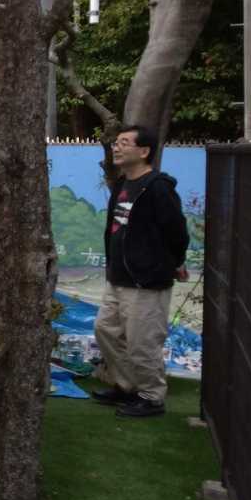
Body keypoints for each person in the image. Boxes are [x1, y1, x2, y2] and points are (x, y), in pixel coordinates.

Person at [91, 124, 190, 418]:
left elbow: (177, 232)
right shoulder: (122, 184)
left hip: (147, 280)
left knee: (142, 342)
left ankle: (151, 397)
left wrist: (175, 261)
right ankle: (127, 386)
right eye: (116, 143)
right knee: (105, 330)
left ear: (144, 151)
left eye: (124, 143)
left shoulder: (158, 187)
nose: (116, 147)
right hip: (118, 277)